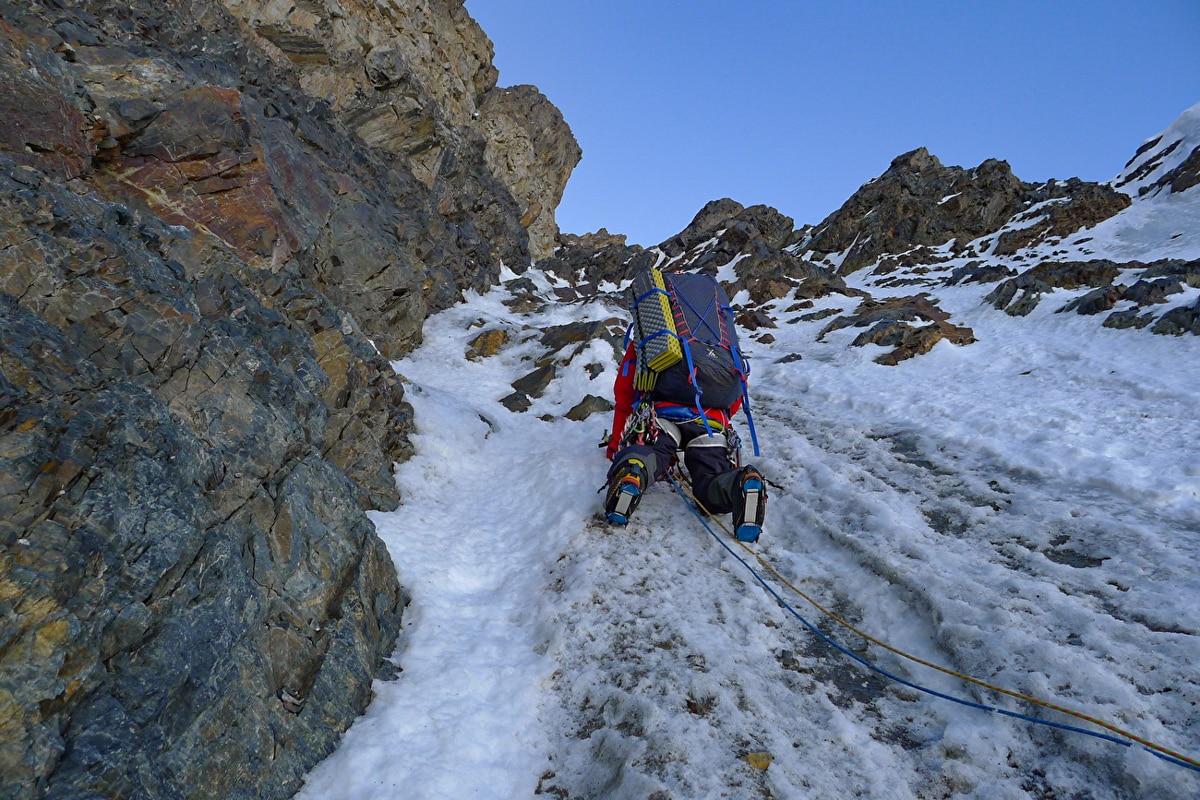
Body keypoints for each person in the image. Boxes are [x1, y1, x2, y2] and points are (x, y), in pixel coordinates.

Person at [602, 341, 767, 542]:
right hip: (710, 421)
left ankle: (634, 471)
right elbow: (735, 388)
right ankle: (738, 483)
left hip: (663, 414)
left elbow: (625, 391)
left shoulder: (652, 329)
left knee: (653, 452)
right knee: (710, 478)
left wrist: (615, 447)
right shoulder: (721, 333)